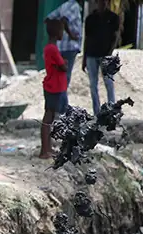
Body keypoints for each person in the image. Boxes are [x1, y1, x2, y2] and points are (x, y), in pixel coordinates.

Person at [82, 0, 120, 116]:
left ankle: (111, 111)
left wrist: (109, 53)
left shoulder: (113, 18)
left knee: (109, 83)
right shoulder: (90, 19)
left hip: (106, 55)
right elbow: (87, 39)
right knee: (93, 85)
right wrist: (84, 58)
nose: (101, 3)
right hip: (91, 55)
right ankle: (97, 112)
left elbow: (115, 37)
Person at [45, 0, 85, 110]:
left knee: (61, 79)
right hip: (70, 47)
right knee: (64, 80)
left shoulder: (64, 6)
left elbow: (48, 18)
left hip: (61, 47)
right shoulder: (74, 6)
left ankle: (61, 107)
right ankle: (63, 108)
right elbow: (64, 20)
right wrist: (71, 34)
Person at [41, 19, 69, 160]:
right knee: (48, 118)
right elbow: (63, 66)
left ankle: (48, 148)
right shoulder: (52, 48)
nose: (63, 33)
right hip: (54, 87)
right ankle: (44, 150)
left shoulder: (50, 48)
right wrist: (64, 63)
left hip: (55, 86)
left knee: (50, 118)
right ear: (57, 32)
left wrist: (62, 63)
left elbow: (59, 65)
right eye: (62, 30)